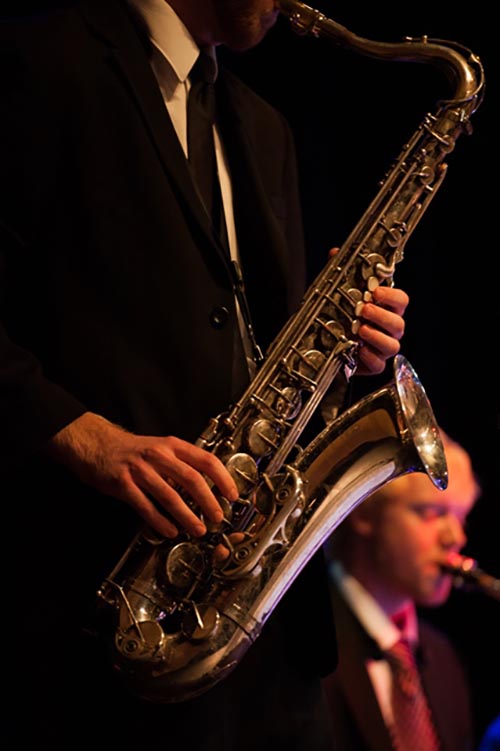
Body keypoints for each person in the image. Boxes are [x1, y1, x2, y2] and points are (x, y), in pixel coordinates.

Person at [1, 1, 411, 749]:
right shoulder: (38, 63)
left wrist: (353, 355)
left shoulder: (262, 126)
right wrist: (92, 440)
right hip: (101, 628)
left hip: (266, 641)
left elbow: (262, 359)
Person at [322, 429, 482, 751]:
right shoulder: (305, 643)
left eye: (461, 517)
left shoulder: (443, 657)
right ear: (365, 512)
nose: (455, 538)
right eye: (433, 513)